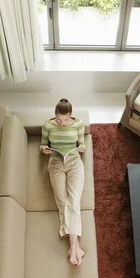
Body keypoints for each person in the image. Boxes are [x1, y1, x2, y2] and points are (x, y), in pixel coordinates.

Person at [40, 99, 86, 267]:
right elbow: (43, 144)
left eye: (65, 120)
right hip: (55, 163)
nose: (61, 122)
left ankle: (72, 247)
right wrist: (44, 149)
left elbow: (82, 143)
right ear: (55, 115)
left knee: (74, 201)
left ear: (70, 116)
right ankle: (76, 248)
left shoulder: (78, 124)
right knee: (62, 203)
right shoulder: (47, 125)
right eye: (59, 119)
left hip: (74, 161)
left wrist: (81, 147)